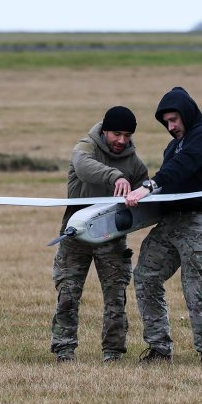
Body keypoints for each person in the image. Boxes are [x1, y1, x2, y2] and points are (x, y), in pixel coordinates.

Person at [125, 87, 202, 364]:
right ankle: (159, 349)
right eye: (166, 122)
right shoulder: (173, 146)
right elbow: (172, 177)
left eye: (174, 120)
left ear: (188, 114)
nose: (171, 127)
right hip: (171, 221)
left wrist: (149, 185)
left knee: (194, 284)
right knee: (145, 275)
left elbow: (184, 166)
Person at [51, 106, 149, 363]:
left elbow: (146, 192)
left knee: (116, 298)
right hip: (75, 236)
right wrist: (115, 176)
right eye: (117, 133)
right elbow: (83, 168)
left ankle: (113, 353)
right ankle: (64, 351)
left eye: (127, 135)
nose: (122, 141)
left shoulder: (135, 162)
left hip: (111, 238)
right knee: (67, 296)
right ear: (105, 130)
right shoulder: (85, 147)